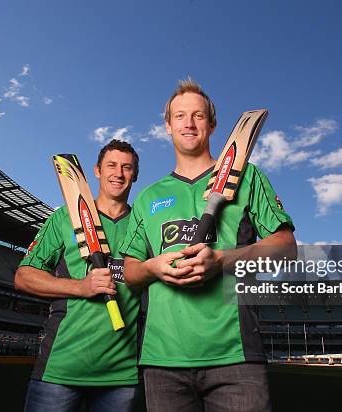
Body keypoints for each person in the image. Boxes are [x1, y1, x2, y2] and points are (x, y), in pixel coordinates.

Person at [120, 79, 296, 412]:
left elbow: (287, 246)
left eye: (198, 116)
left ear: (212, 125)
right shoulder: (148, 198)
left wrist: (223, 260)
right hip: (163, 359)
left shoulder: (248, 176)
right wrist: (151, 267)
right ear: (168, 127)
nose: (189, 123)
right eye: (180, 116)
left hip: (235, 358)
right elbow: (129, 272)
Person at [15, 139, 141, 412]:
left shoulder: (144, 225)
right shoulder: (63, 218)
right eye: (111, 165)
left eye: (127, 167)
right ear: (97, 170)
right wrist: (81, 287)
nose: (118, 173)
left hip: (122, 375)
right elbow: (24, 276)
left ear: (135, 175)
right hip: (61, 369)